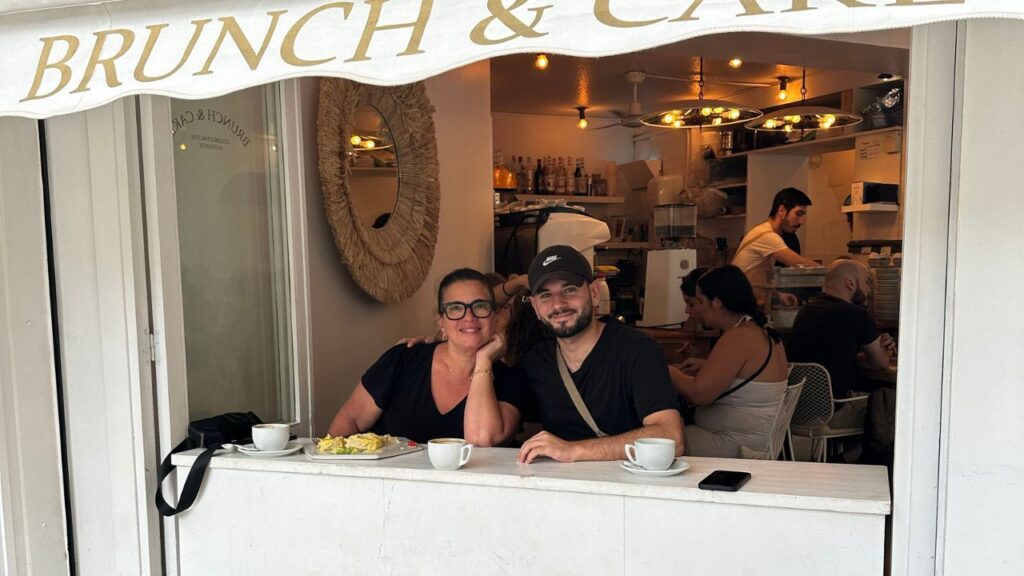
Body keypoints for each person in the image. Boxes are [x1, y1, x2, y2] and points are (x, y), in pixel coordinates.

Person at [514, 245, 684, 463]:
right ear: (536, 308)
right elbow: (493, 434)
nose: (558, 304)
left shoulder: (638, 350)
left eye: (569, 290)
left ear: (594, 293)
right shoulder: (535, 363)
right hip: (561, 489)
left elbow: (671, 437)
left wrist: (573, 451)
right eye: (546, 295)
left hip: (633, 487)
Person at [328, 268, 523, 445]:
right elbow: (350, 419)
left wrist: (483, 360)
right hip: (387, 481)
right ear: (441, 323)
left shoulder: (511, 379)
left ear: (495, 317)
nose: (469, 317)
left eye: (480, 306)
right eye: (455, 308)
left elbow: (483, 439)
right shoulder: (404, 358)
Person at [668, 266, 790, 458]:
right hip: (752, 440)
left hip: (735, 445)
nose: (696, 308)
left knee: (654, 441)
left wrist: (668, 372)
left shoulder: (739, 336)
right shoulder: (758, 329)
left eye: (700, 301)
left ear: (717, 302)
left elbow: (699, 395)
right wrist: (706, 365)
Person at [784, 259, 896, 429]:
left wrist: (864, 356)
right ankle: (859, 454)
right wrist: (886, 350)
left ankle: (849, 454)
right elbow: (881, 363)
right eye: (866, 282)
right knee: (893, 405)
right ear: (851, 283)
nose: (868, 288)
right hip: (839, 409)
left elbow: (836, 357)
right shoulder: (856, 314)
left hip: (800, 410)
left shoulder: (806, 311)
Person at [732, 188, 820, 305]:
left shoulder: (766, 232)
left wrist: (778, 295)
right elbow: (797, 262)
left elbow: (755, 281)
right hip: (737, 305)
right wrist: (834, 271)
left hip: (744, 302)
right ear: (781, 210)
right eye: (798, 214)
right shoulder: (767, 236)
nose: (801, 221)